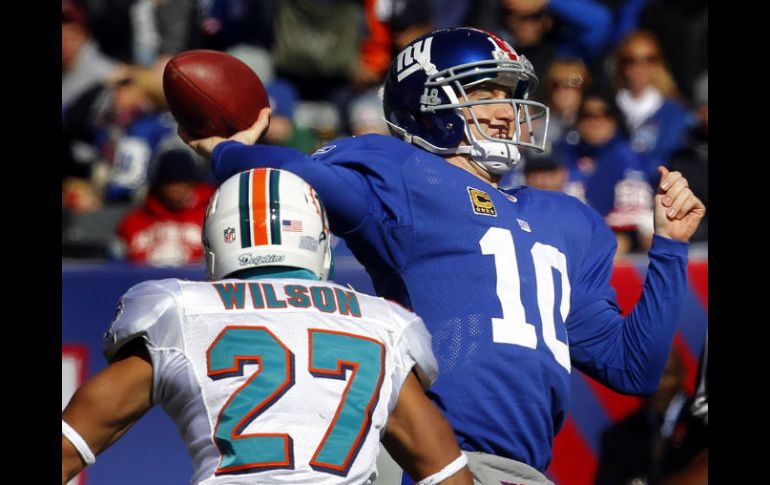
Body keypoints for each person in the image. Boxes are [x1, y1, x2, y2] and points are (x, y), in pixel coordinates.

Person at [182, 27, 705, 485]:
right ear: (427, 104)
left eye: (511, 92)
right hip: (429, 459)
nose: (507, 109)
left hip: (522, 470)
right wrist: (230, 149)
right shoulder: (405, 173)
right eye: (486, 90)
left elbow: (634, 367)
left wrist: (670, 248)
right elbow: (299, 173)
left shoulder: (569, 220)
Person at [62, 168, 473, 485]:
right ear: (319, 241)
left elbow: (71, 444)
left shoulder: (181, 312)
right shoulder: (384, 324)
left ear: (215, 245)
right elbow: (447, 474)